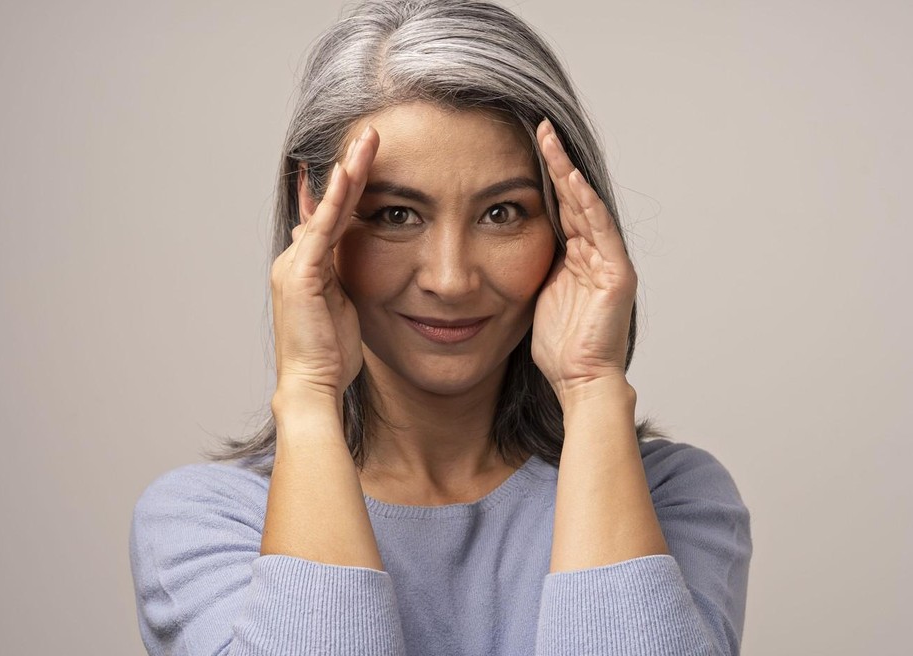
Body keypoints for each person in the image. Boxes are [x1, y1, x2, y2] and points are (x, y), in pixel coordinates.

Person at [129, 1, 752, 654]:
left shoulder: (671, 499)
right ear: (315, 217)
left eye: (503, 212)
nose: (451, 279)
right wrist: (309, 394)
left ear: (571, 228)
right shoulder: (203, 523)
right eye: (397, 215)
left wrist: (593, 387)